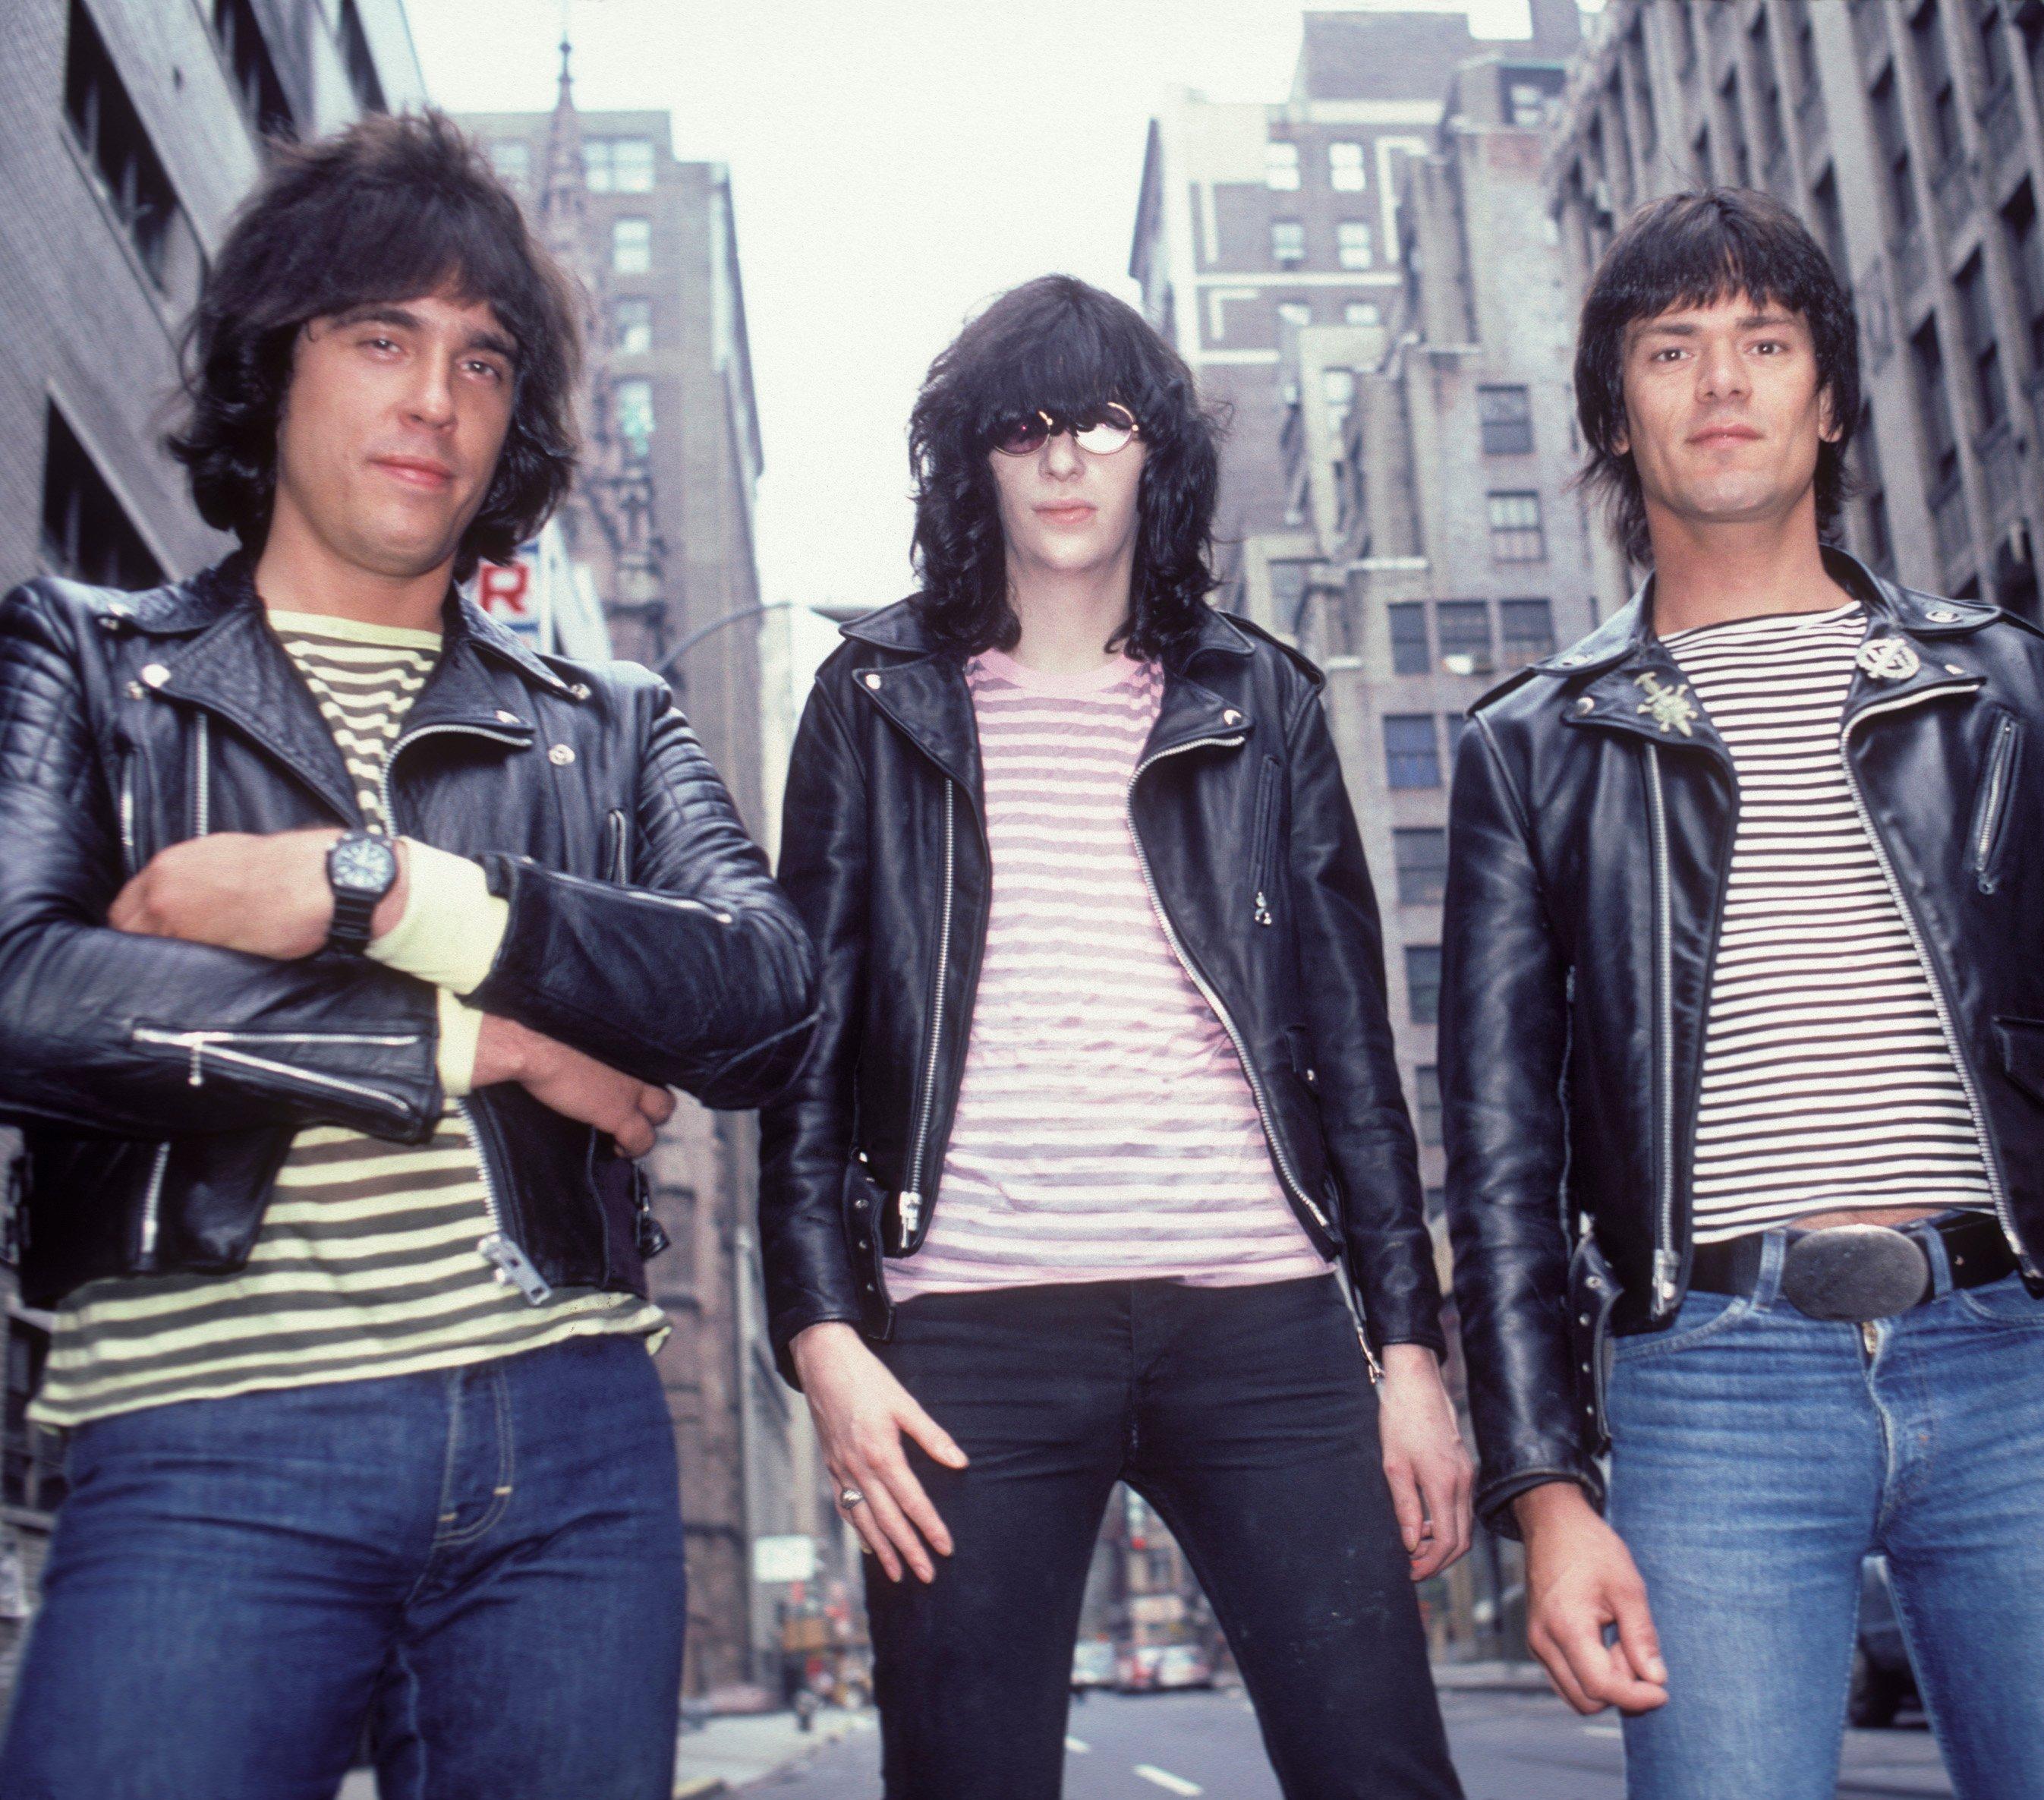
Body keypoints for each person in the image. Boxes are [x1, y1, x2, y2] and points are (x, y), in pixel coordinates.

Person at [0, 114, 815, 1798]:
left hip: (571, 1451)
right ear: (271, 366)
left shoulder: (613, 720)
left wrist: (378, 889)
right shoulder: (90, 664)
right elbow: (24, 999)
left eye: (483, 359)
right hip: (214, 1441)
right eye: (381, 336)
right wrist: (475, 1047)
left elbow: (766, 998)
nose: (434, 397)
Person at [1440, 188, 2044, 1800]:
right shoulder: (1531, 744)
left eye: (1767, 341)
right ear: (1614, 407)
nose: (1722, 383)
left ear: (1833, 398)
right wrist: (1547, 1489)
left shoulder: (2003, 682)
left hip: (2018, 1352)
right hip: (1710, 1382)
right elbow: (1500, 1156)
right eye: (1672, 348)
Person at [757, 274, 1469, 1800]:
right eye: (1025, 429)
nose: (1067, 458)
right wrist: (823, 1335)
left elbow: (1354, 1047)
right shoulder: (871, 701)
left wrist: (1410, 1351)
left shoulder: (1258, 695)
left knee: (1383, 1772)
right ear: (975, 463)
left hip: (1262, 1319)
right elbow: (808, 1052)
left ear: (1158, 454)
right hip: (969, 1335)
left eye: (1102, 421)